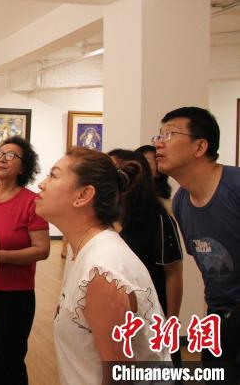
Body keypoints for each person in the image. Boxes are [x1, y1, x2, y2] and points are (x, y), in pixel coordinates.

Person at [35, 148, 170, 385]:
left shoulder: (103, 270)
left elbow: (120, 377)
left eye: (53, 175)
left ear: (83, 195)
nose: (41, 184)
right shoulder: (83, 250)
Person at [154, 107, 240, 381]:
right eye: (159, 135)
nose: (159, 143)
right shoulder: (182, 201)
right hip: (219, 318)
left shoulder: (235, 186)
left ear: (200, 146)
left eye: (170, 134)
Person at [0, 136, 50, 385]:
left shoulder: (32, 202)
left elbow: (42, 250)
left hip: (14, 297)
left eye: (10, 156)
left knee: (8, 361)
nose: (1, 159)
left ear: (23, 167)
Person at [108, 148, 184, 370]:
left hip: (151, 316)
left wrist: (170, 323)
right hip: (117, 318)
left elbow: (173, 274)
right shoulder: (104, 218)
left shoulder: (157, 219)